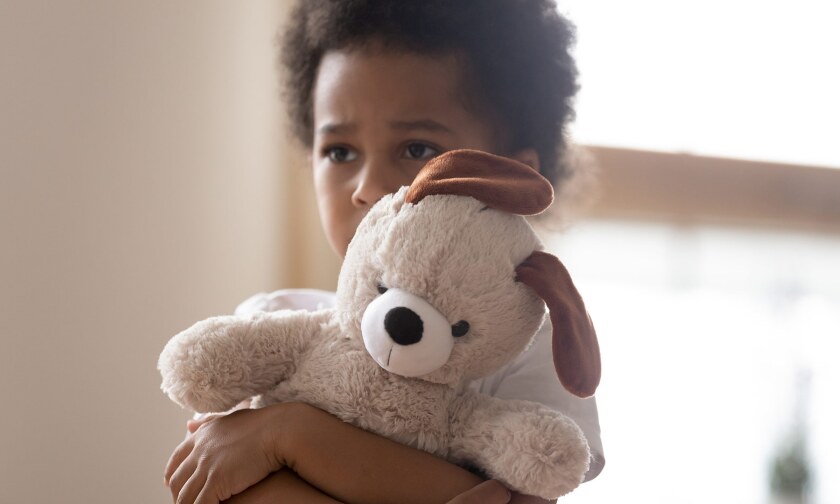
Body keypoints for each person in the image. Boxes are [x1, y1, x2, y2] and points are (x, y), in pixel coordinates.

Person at [164, 1, 603, 503]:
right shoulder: (271, 324)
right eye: (340, 151)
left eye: (418, 149)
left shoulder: (530, 349)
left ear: (511, 180)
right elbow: (229, 485)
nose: (367, 187)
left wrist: (290, 435)